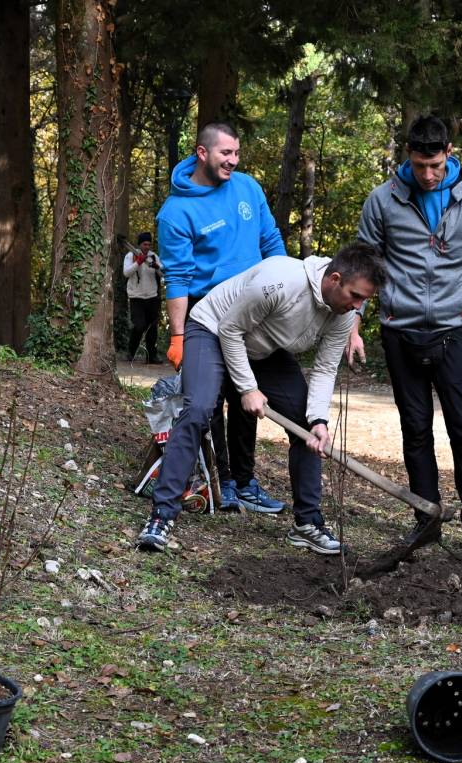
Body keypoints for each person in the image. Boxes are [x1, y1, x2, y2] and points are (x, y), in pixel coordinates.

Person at [136, 243, 386, 554]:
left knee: (306, 425)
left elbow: (324, 371)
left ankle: (307, 524)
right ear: (334, 279)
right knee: (198, 410)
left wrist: (319, 420)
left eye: (365, 300)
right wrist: (247, 388)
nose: (358, 306)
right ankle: (161, 516)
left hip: (262, 349)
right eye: (356, 296)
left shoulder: (344, 315)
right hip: (213, 330)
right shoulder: (279, 280)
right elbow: (229, 329)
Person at [348, 115, 462, 552]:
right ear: (409, 156)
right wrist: (353, 323)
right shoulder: (383, 200)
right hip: (399, 332)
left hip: (454, 331)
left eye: (435, 166)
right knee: (416, 430)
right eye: (420, 166)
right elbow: (365, 263)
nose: (427, 175)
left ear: (449, 155)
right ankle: (426, 521)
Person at [156, 121, 287, 514]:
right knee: (208, 401)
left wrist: (282, 284)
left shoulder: (248, 187)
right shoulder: (175, 212)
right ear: (202, 153)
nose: (233, 161)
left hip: (254, 311)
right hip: (206, 314)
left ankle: (246, 481)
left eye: (236, 153)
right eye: (225, 153)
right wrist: (178, 335)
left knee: (248, 395)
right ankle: (222, 479)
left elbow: (271, 241)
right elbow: (177, 278)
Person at [123, 232, 164, 363]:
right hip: (136, 297)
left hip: (152, 296)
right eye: (144, 244)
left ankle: (152, 356)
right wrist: (138, 262)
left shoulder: (153, 256)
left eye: (149, 244)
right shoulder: (131, 255)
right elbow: (126, 273)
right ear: (140, 244)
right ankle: (131, 352)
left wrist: (157, 267)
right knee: (139, 326)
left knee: (152, 328)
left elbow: (163, 274)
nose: (147, 246)